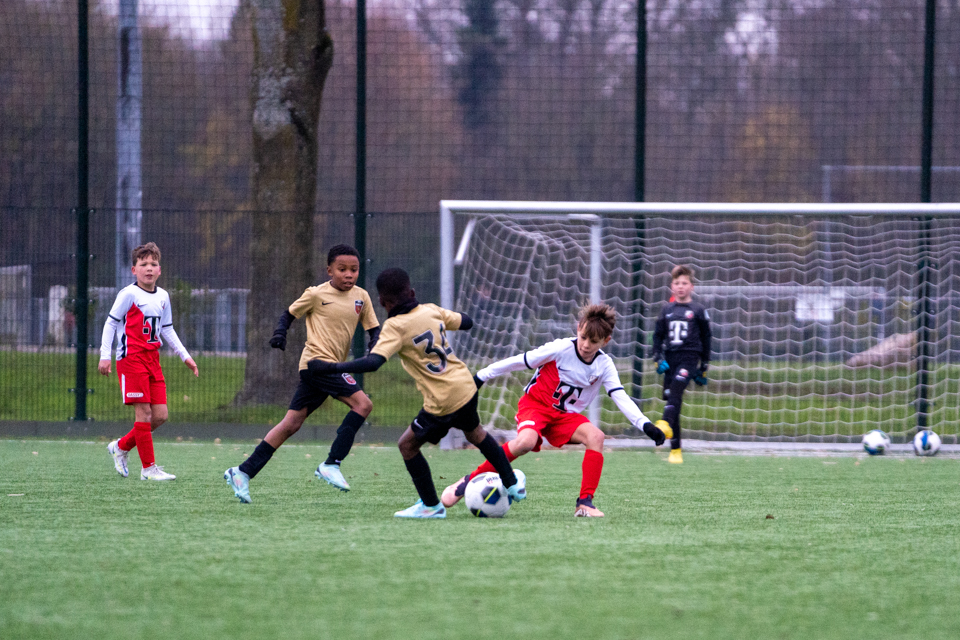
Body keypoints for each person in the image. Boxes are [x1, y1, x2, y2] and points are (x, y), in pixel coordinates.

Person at [308, 267, 525, 519]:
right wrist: (449, 318)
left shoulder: (395, 326)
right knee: (476, 433)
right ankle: (511, 483)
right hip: (466, 386)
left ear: (382, 302)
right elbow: (466, 322)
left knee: (407, 446)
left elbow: (373, 363)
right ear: (411, 292)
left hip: (443, 401)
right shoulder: (431, 310)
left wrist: (330, 367)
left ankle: (431, 506)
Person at [442, 303, 666, 518]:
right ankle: (467, 481)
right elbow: (521, 361)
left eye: (594, 341)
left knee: (596, 436)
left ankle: (584, 503)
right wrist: (482, 375)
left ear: (606, 341)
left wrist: (645, 425)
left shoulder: (604, 365)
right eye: (584, 337)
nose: (586, 344)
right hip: (536, 406)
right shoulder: (560, 348)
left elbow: (620, 397)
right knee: (525, 443)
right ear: (579, 328)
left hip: (564, 417)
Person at [224, 244, 380, 503]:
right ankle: (332, 463)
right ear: (329, 270)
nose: (348, 274)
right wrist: (279, 333)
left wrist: (377, 348)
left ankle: (243, 471)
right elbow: (288, 314)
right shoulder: (316, 294)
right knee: (363, 404)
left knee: (291, 424)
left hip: (330, 367)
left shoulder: (361, 296)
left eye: (354, 269)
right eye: (342, 269)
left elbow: (374, 329)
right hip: (317, 364)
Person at [99, 242, 199, 481]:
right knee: (143, 413)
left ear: (160, 270)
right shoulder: (129, 294)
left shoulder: (163, 296)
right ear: (134, 270)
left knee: (160, 415)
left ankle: (121, 447)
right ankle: (148, 469)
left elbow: (167, 329)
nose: (149, 269)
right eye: (143, 264)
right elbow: (111, 323)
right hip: (131, 359)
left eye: (153, 264)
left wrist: (185, 356)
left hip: (153, 360)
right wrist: (105, 355)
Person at [651, 264, 712, 464]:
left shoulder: (698, 310)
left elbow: (706, 338)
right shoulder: (667, 309)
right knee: (671, 400)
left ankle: (663, 424)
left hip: (690, 357)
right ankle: (675, 449)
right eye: (677, 283)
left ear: (691, 286)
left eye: (684, 283)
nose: (680, 286)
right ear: (672, 286)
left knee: (676, 390)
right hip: (671, 359)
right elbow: (658, 336)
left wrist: (703, 366)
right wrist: (657, 358)